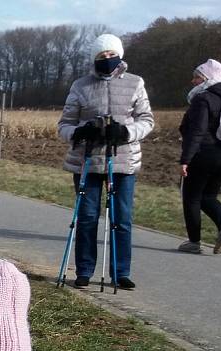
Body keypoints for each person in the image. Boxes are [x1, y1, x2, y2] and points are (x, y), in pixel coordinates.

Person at [58, 33, 154, 291]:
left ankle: (121, 272)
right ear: (94, 59)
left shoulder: (135, 83)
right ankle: (84, 270)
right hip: (87, 162)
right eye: (102, 56)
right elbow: (64, 124)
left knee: (122, 219)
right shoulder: (81, 86)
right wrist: (79, 132)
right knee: (87, 217)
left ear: (120, 55)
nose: (107, 59)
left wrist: (125, 132)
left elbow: (147, 120)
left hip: (122, 161)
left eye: (111, 55)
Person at [178, 59, 221, 255]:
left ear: (206, 78)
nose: (193, 81)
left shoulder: (203, 99)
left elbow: (197, 131)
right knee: (208, 196)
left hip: (204, 153)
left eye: (197, 77)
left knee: (191, 197)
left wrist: (185, 159)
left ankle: (194, 242)